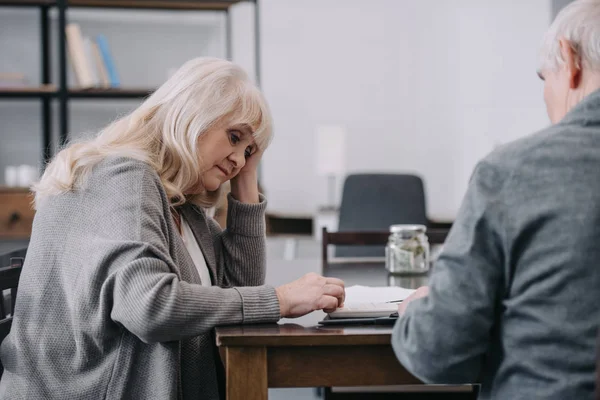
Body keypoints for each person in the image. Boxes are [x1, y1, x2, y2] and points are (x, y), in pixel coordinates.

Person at [0, 57, 345, 399]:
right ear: (194, 115)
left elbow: (240, 288)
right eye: (234, 137)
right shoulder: (122, 176)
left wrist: (247, 180)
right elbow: (150, 307)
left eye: (249, 150)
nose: (239, 159)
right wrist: (280, 299)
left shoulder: (181, 206)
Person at [392, 1, 600, 399]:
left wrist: (416, 311)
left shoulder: (511, 172)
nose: (545, 96)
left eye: (545, 77)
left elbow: (438, 350)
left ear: (570, 59)